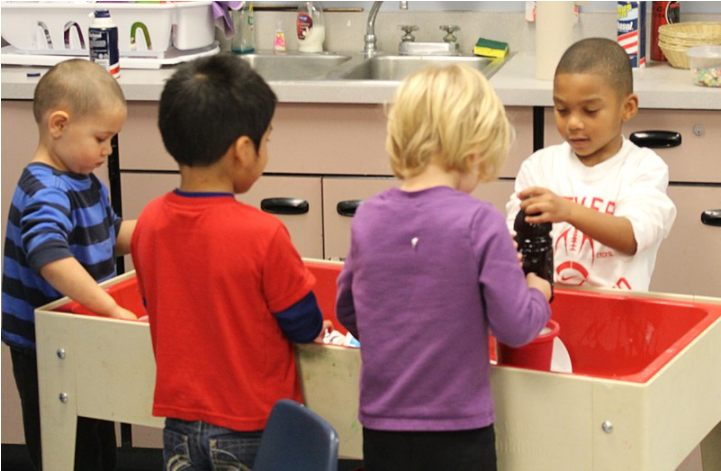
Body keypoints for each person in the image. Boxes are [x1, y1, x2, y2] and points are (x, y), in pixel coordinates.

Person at [335, 65, 552, 471]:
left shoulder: (368, 219)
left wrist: (399, 340)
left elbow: (349, 309)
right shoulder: (479, 222)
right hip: (459, 433)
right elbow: (516, 326)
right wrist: (538, 291)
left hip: (383, 430)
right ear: (475, 150)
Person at [130, 53, 330, 470]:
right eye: (267, 140)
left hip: (179, 425)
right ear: (242, 150)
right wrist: (318, 327)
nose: (266, 150)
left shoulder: (148, 222)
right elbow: (303, 322)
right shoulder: (263, 233)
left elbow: (158, 308)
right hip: (251, 427)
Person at [1, 59, 136, 470]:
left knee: (97, 447)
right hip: (46, 348)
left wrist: (159, 230)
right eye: (101, 138)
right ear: (58, 125)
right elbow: (52, 259)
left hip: (78, 336)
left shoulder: (82, 179)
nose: (107, 150)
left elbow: (106, 236)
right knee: (70, 454)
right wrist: (110, 307)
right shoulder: (47, 189)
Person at [506, 38, 677, 291]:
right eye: (562, 110)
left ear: (627, 108)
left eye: (590, 110)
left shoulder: (644, 168)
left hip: (620, 317)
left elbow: (631, 238)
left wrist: (569, 211)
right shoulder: (539, 167)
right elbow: (515, 237)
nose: (573, 123)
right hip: (550, 311)